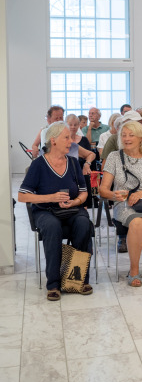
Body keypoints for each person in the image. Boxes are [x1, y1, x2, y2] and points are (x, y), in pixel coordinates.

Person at [18, 122, 94, 300]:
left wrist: (75, 201)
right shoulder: (38, 165)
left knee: (84, 223)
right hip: (46, 211)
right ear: (53, 140)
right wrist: (50, 197)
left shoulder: (74, 163)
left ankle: (78, 279)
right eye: (66, 138)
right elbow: (22, 196)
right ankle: (53, 283)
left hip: (72, 209)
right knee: (52, 227)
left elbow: (83, 192)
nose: (71, 141)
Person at [99, 121, 142, 286]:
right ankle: (134, 270)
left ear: (141, 138)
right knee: (137, 222)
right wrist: (114, 195)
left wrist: (141, 193)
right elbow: (103, 190)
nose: (126, 138)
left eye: (131, 135)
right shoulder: (114, 157)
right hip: (123, 204)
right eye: (123, 135)